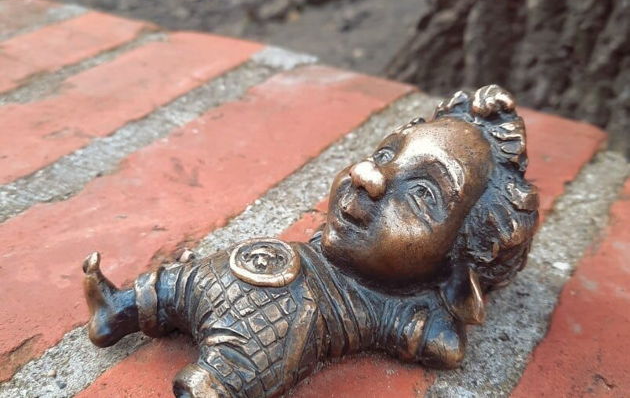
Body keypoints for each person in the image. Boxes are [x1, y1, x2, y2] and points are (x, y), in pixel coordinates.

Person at [83, 85, 538, 397]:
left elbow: (442, 345)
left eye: (422, 194)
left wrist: (437, 331)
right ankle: (119, 309)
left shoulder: (387, 307)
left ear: (454, 269)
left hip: (286, 329)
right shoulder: (323, 244)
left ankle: (209, 386)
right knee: (179, 283)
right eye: (384, 154)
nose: (368, 174)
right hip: (235, 273)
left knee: (246, 363)